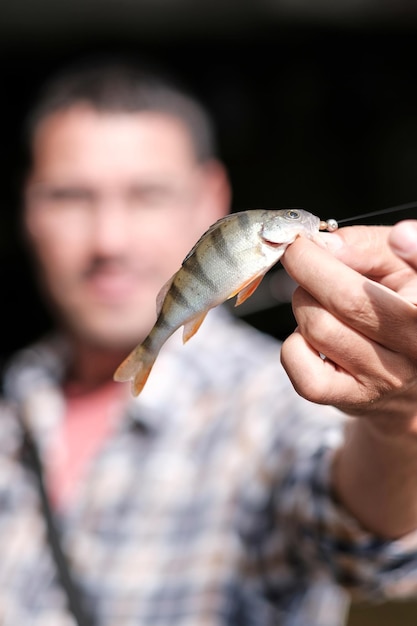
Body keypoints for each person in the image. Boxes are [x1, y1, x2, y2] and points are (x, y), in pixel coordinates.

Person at [1, 55, 417, 626]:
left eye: (147, 194)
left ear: (210, 196)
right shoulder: (15, 391)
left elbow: (367, 552)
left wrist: (397, 422)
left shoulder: (272, 400)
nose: (109, 240)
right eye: (70, 196)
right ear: (26, 207)